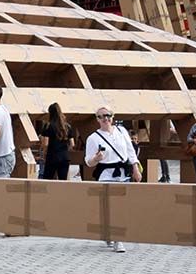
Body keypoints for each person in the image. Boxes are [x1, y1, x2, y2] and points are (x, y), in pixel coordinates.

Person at [85, 107, 141, 253]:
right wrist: (96, 159)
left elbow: (130, 151)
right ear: (97, 119)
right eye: (102, 116)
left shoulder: (122, 131)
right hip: (106, 175)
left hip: (123, 174)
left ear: (113, 116)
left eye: (108, 115)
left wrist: (135, 168)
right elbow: (88, 161)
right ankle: (113, 235)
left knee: (121, 206)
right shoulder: (93, 138)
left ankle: (117, 237)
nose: (106, 118)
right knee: (109, 207)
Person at [39, 102, 75, 181]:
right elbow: (72, 144)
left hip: (52, 156)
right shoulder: (67, 126)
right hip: (64, 157)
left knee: (47, 180)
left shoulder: (48, 126)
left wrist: (44, 154)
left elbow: (45, 144)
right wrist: (65, 150)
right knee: (63, 181)